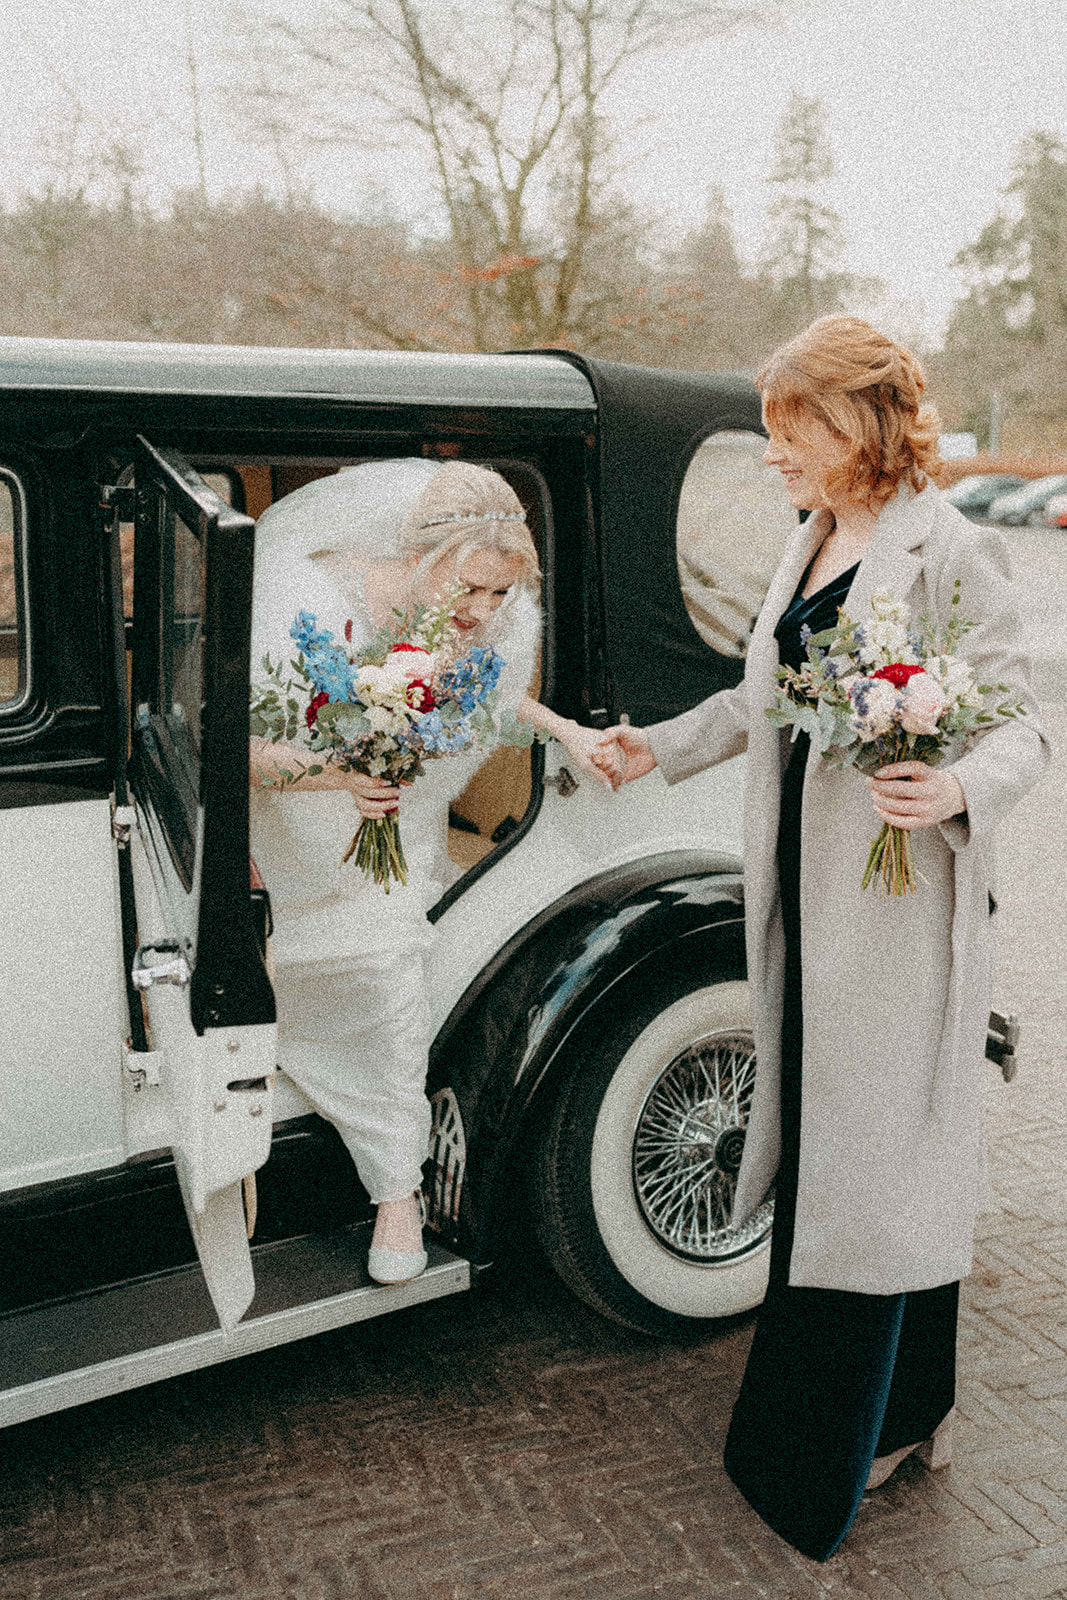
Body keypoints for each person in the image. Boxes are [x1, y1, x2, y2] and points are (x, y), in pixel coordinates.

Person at [594, 316, 1049, 1561]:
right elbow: (765, 694)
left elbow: (1021, 724)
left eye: (785, 431)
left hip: (898, 908)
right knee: (846, 1144)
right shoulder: (809, 541)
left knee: (876, 1155)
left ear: (850, 427)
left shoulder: (945, 551)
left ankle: (825, 1447)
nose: (768, 456)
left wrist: (955, 790)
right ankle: (913, 1406)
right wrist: (655, 747)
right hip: (805, 887)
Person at [249, 458, 615, 1285]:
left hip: (396, 824)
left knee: (389, 974)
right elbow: (244, 754)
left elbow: (488, 699)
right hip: (303, 813)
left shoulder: (484, 621)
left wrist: (567, 728)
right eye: (472, 591)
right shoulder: (308, 602)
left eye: (501, 595)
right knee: (324, 956)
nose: (486, 612)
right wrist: (342, 775)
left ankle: (396, 1192)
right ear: (420, 559)